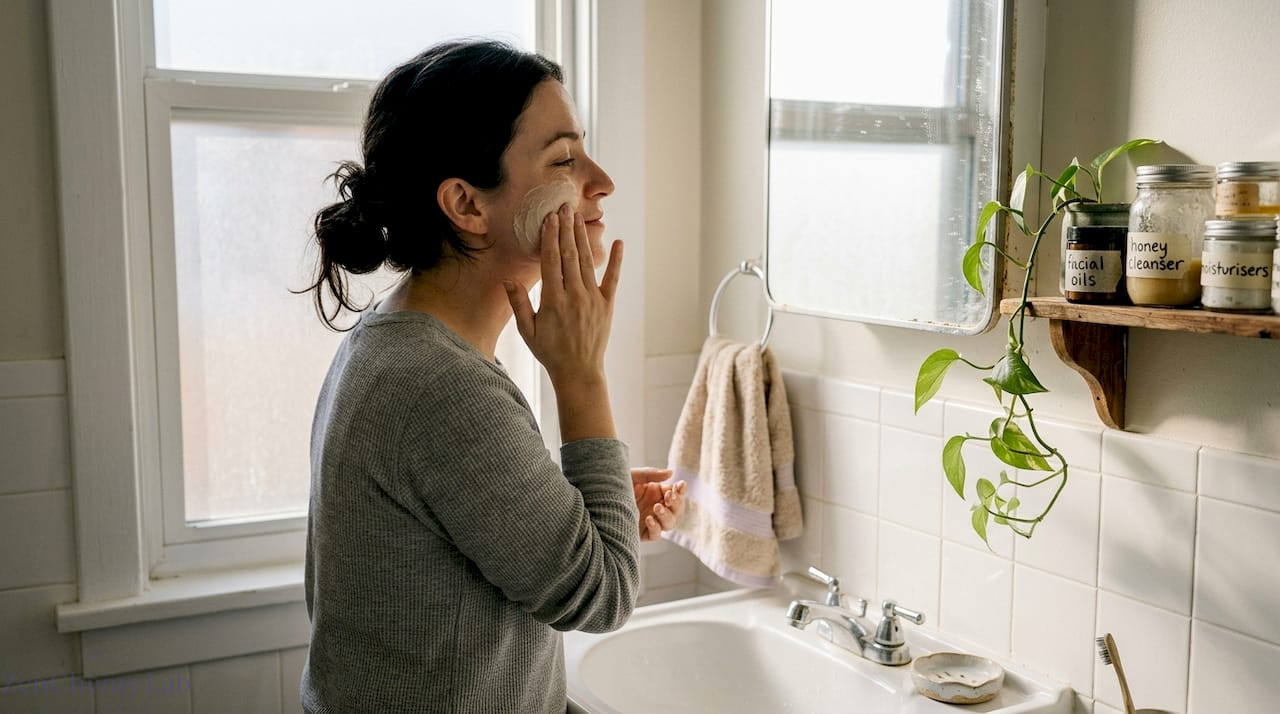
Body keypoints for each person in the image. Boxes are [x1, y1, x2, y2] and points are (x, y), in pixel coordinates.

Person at [298, 40, 686, 713]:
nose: (601, 180)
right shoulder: (437, 385)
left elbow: (455, 526)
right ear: (468, 206)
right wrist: (582, 376)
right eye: (564, 159)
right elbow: (604, 596)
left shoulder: (403, 345)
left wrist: (580, 511)